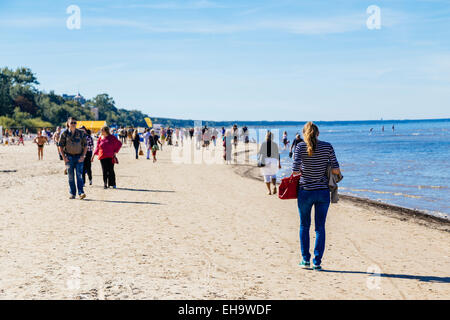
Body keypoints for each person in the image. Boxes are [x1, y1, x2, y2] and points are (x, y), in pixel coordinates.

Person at [292, 122, 341, 270]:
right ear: (318, 133)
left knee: (304, 226)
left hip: (305, 191)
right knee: (320, 228)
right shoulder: (328, 146)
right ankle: (317, 262)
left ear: (304, 133)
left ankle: (305, 260)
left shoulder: (299, 147)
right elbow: (336, 170)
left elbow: (295, 171)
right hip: (322, 192)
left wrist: (306, 170)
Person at [58, 117, 87, 199]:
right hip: (69, 157)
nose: (73, 124)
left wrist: (83, 156)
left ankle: (81, 193)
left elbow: (85, 145)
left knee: (79, 176)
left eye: (75, 122)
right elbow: (60, 146)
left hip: (79, 157)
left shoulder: (81, 133)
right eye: (72, 123)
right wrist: (64, 158)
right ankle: (72, 193)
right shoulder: (64, 134)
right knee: (70, 177)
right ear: (68, 124)